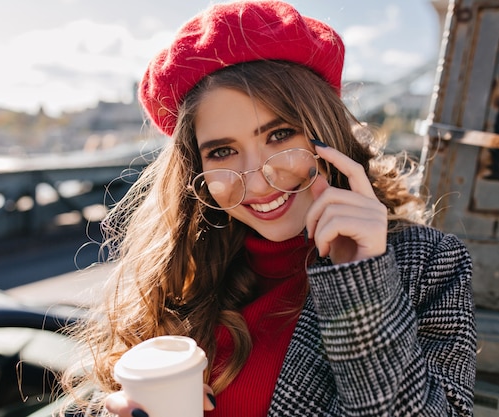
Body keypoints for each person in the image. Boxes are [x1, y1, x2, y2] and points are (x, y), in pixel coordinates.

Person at [60, 1, 476, 416]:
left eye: (280, 135)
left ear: (324, 130)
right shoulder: (177, 272)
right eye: (222, 151)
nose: (257, 181)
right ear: (196, 167)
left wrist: (361, 281)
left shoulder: (428, 264)